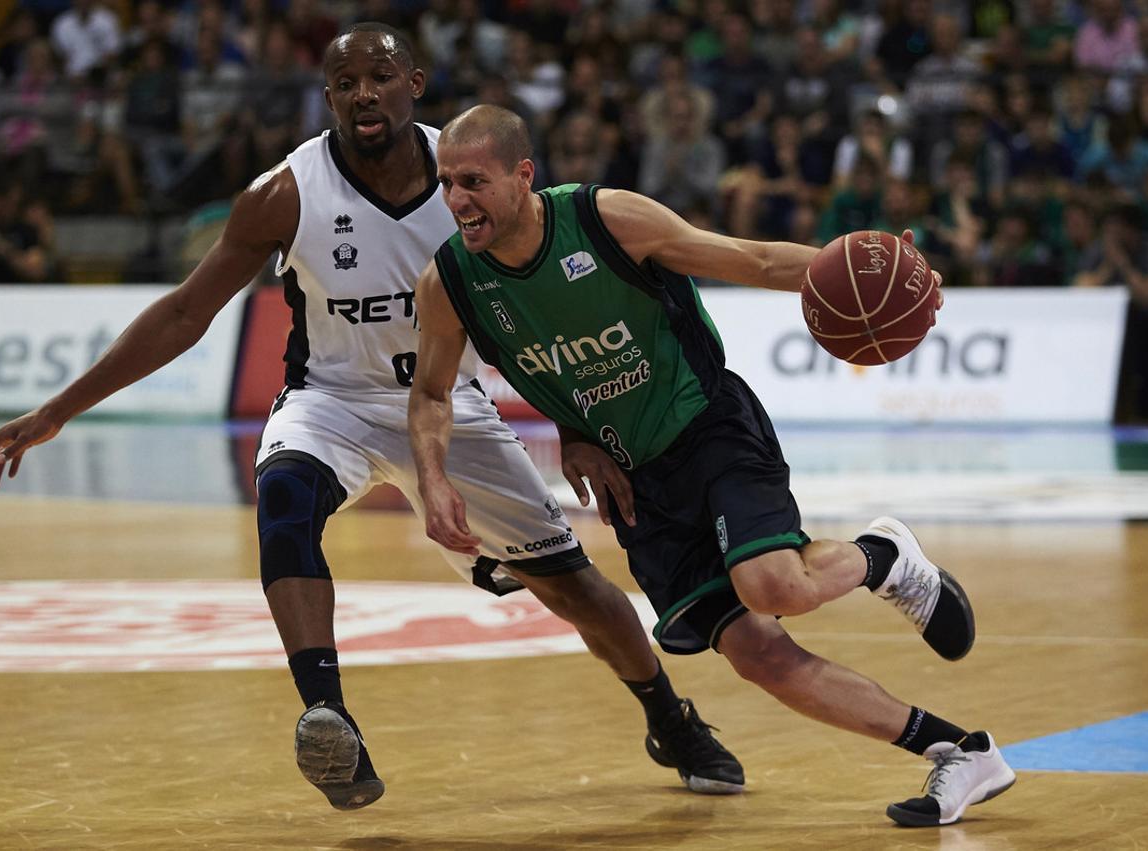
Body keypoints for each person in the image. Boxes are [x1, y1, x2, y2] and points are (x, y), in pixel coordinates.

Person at [0, 25, 743, 811]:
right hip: (330, 401)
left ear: (415, 81)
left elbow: (544, 308)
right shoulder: (286, 193)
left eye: (380, 76)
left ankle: (669, 716)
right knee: (282, 500)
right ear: (329, 96)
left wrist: (575, 427)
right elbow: (184, 313)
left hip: (448, 406)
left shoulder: (470, 178)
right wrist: (57, 410)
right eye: (345, 82)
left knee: (574, 587)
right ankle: (328, 716)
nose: (363, 93)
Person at [407, 104, 1018, 828]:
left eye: (472, 181)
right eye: (446, 183)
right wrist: (439, 478)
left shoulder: (606, 219)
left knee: (773, 584)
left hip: (709, 426)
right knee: (758, 656)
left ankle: (883, 554)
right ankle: (959, 751)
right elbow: (431, 391)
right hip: (641, 488)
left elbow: (751, 259)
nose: (456, 200)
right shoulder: (449, 283)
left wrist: (884, 264)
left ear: (522, 176)